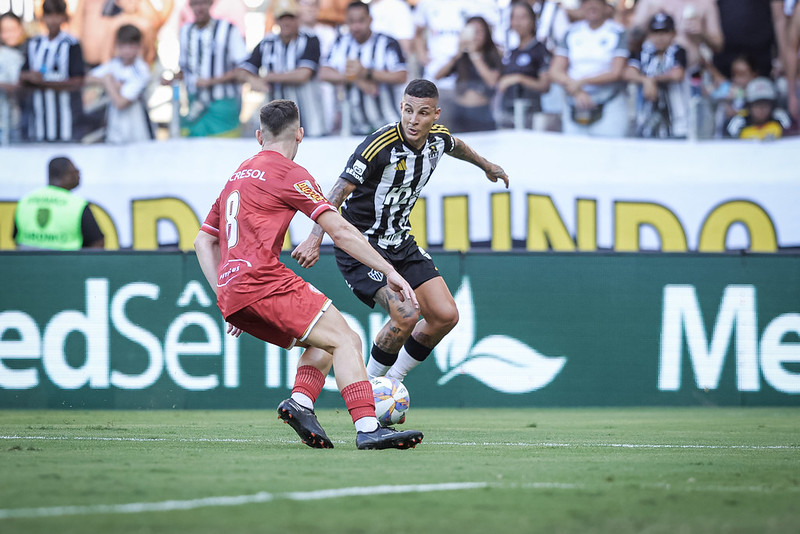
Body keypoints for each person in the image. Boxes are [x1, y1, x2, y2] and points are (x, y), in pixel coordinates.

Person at [194, 99, 424, 450]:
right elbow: (341, 232)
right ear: (300, 134)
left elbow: (202, 241)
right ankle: (367, 428)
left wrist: (225, 296)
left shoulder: (237, 175)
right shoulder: (289, 173)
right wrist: (389, 269)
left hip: (232, 290)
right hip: (263, 280)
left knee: (326, 342)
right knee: (348, 340)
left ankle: (301, 403)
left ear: (259, 136)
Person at [292, 79, 509, 386]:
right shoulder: (379, 145)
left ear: (436, 114)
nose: (413, 120)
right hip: (362, 247)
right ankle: (367, 390)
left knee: (446, 315)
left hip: (400, 242)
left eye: (422, 113)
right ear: (401, 108)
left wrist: (486, 166)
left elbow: (456, 145)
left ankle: (392, 382)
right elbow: (338, 191)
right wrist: (316, 236)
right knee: (407, 314)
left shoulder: (437, 139)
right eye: (408, 110)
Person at [237, 0, 326, 137]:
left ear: (298, 18)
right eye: (281, 18)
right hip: (275, 116)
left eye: (290, 17)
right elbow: (244, 70)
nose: (286, 22)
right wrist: (254, 80)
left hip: (307, 114)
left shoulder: (310, 39)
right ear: (276, 20)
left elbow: (303, 74)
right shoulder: (267, 42)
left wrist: (271, 77)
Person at [319, 1, 407, 135]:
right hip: (354, 126)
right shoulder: (340, 42)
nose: (356, 26)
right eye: (351, 21)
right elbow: (324, 73)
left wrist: (367, 72)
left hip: (388, 123)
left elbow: (401, 75)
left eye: (361, 21)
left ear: (370, 20)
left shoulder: (387, 42)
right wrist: (356, 79)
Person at [548, 0, 629, 137]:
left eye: (597, 2)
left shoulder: (618, 31)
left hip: (608, 103)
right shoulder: (571, 31)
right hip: (575, 103)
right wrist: (577, 90)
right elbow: (555, 71)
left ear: (605, 7)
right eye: (586, 2)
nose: (592, 6)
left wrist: (582, 82)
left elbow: (616, 72)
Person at [170, 0, 247, 138]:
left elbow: (243, 69)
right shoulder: (185, 31)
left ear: (211, 4)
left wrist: (212, 81)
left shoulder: (228, 29)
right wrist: (172, 78)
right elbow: (185, 68)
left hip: (222, 104)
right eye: (195, 4)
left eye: (203, 3)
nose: (199, 8)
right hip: (194, 104)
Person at [18, 0, 87, 142]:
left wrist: (44, 81)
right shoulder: (34, 43)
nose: (53, 21)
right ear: (43, 17)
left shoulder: (71, 43)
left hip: (66, 120)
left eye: (57, 15)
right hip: (38, 119)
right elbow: (22, 74)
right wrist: (30, 77)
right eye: (49, 15)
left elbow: (78, 80)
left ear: (63, 17)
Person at [13, 156, 105, 250]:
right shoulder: (77, 205)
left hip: (28, 263)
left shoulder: (25, 201)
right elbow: (97, 244)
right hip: (67, 263)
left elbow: (16, 238)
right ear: (65, 175)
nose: (78, 174)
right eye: (75, 171)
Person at [85, 24, 154, 143]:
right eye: (123, 45)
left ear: (138, 47)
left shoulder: (141, 71)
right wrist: (112, 83)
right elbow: (88, 78)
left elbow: (121, 103)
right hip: (115, 130)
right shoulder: (114, 64)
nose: (126, 50)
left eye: (131, 45)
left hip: (137, 133)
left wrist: (109, 83)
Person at [625, 12, 689, 138]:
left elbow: (677, 74)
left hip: (677, 121)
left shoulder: (678, 51)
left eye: (664, 32)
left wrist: (651, 80)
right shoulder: (642, 51)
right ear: (649, 34)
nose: (660, 37)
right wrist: (646, 81)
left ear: (673, 33)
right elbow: (628, 73)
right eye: (655, 32)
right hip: (645, 120)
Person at [434, 16, 502, 132]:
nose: (475, 36)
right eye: (471, 31)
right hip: (459, 112)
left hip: (482, 113)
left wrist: (474, 54)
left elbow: (492, 81)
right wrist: (457, 54)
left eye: (479, 31)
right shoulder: (461, 57)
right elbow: (438, 75)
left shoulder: (493, 54)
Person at [496, 1, 551, 130]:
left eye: (523, 17)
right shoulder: (512, 52)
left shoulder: (540, 49)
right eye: (514, 18)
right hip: (509, 114)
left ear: (533, 20)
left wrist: (519, 78)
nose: (517, 22)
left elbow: (544, 85)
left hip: (532, 115)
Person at [724, 76, 794, 139]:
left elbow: (792, 138)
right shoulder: (739, 122)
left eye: (765, 104)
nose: (761, 109)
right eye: (757, 104)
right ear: (749, 106)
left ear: (772, 105)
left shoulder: (781, 118)